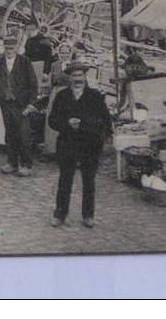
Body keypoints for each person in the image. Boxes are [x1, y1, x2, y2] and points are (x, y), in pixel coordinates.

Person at [48, 64, 112, 228]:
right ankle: (60, 214)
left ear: (85, 77)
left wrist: (83, 124)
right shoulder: (62, 96)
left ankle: (88, 215)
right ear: (69, 78)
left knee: (88, 181)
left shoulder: (95, 96)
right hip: (67, 143)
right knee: (65, 180)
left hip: (89, 144)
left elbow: (105, 122)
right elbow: (52, 121)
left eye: (80, 75)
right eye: (74, 76)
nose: (77, 79)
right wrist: (67, 123)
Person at [0, 35, 39, 176]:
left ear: (17, 48)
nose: (9, 50)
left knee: (24, 135)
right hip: (6, 104)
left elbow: (33, 85)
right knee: (10, 134)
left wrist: (31, 104)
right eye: (7, 48)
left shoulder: (25, 62)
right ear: (4, 48)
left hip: (22, 105)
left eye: (12, 48)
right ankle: (12, 162)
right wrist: (1, 100)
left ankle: (26, 165)